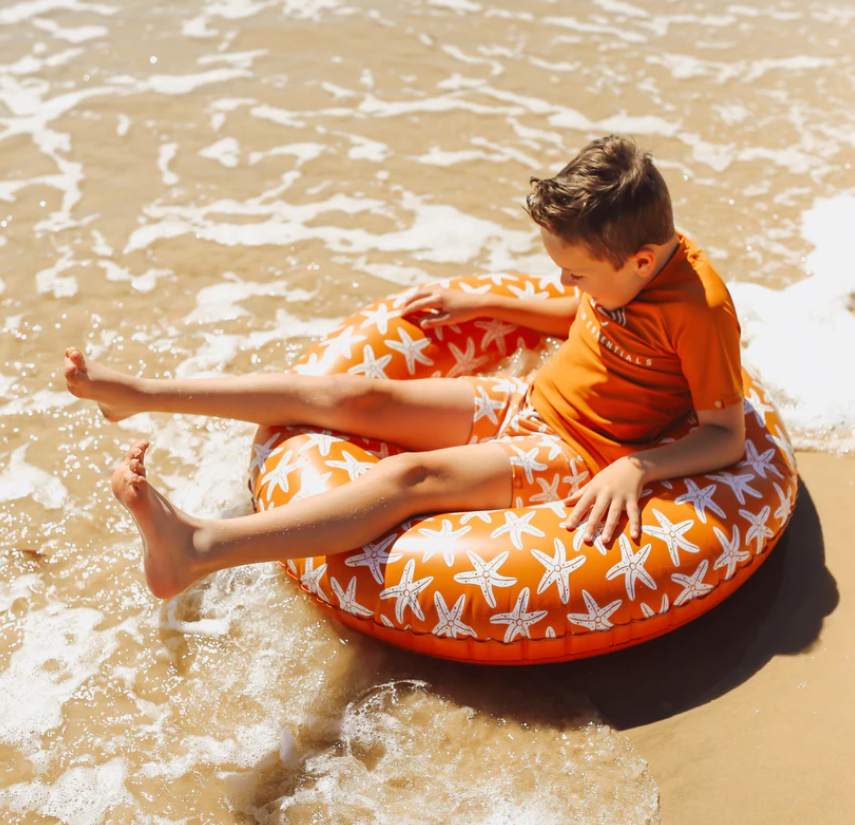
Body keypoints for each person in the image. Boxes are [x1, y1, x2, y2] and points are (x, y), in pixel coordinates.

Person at [63, 135, 745, 601]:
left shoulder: (701, 310)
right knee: (354, 395)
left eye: (574, 272)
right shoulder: (623, 264)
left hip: (580, 451)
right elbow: (584, 314)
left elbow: (726, 435)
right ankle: (137, 394)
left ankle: (198, 547)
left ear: (641, 261)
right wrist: (486, 302)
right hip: (529, 399)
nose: (564, 281)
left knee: (409, 479)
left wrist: (636, 468)